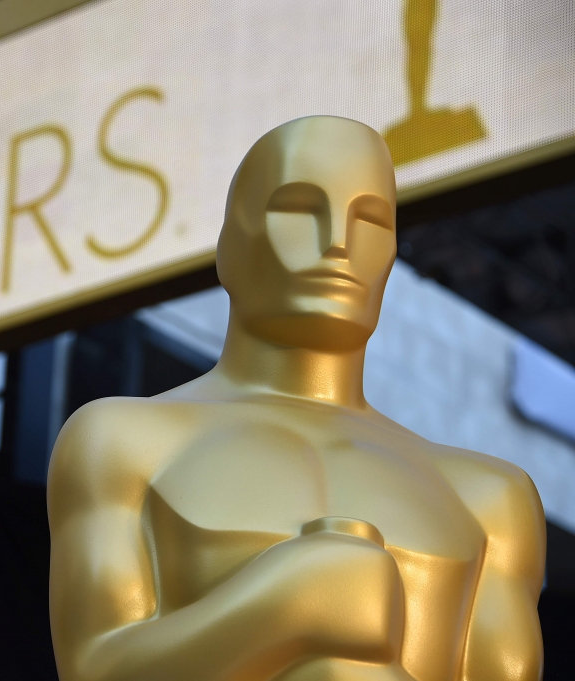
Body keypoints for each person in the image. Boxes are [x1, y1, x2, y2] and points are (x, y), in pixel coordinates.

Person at [47, 116, 545, 681]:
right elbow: (95, 668)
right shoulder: (123, 442)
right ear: (231, 247)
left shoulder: (488, 500)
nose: (338, 242)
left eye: (371, 219)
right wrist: (288, 603)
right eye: (298, 211)